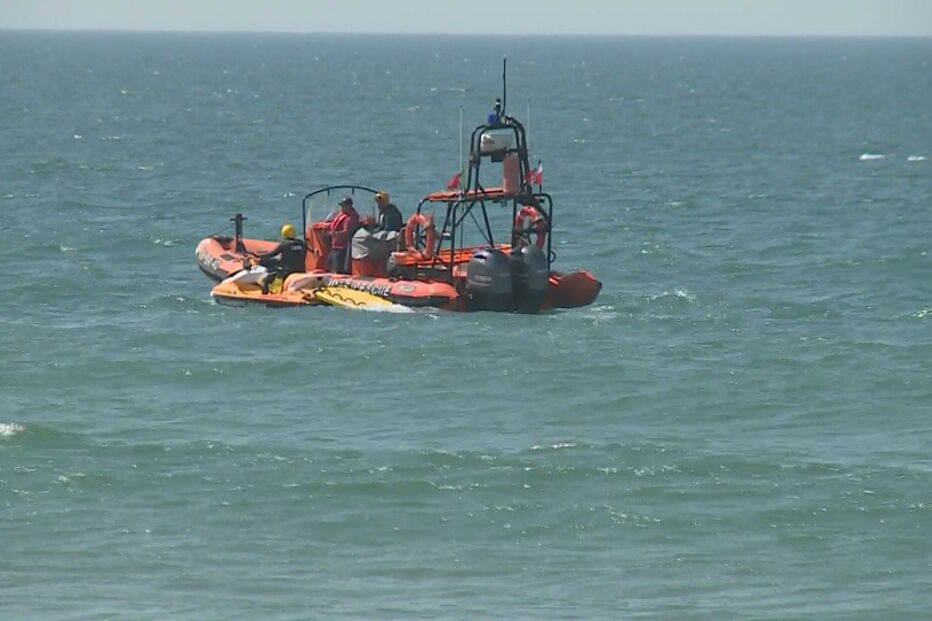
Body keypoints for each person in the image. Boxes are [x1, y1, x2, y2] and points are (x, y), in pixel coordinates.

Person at [256, 224, 307, 292]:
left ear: (284, 233)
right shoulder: (302, 243)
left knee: (265, 280)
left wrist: (258, 256)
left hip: (287, 272)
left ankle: (265, 295)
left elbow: (272, 254)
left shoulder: (284, 244)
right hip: (301, 271)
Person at [329, 196, 360, 273]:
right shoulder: (342, 214)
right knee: (329, 262)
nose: (342, 208)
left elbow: (347, 232)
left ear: (349, 206)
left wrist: (335, 234)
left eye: (344, 206)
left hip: (342, 247)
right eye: (342, 205)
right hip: (335, 245)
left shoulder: (350, 218)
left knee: (338, 268)